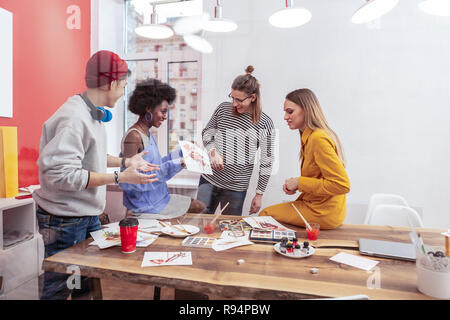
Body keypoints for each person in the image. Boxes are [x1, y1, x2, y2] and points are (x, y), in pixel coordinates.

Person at [33, 50, 159, 300]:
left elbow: (89, 157)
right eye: (123, 86)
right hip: (65, 220)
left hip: (84, 216)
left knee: (85, 287)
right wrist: (119, 177)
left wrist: (125, 161)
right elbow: (62, 175)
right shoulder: (74, 117)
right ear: (112, 83)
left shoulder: (91, 114)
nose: (123, 93)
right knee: (59, 290)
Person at [259, 88, 350, 229]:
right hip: (319, 206)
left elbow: (341, 185)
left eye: (290, 111)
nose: (285, 117)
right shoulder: (310, 136)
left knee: (265, 214)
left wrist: (299, 182)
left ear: (306, 110)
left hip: (323, 212)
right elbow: (320, 178)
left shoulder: (318, 139)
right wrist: (297, 185)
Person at [197, 66, 275, 216]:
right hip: (208, 180)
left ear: (253, 98)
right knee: (199, 222)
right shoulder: (222, 109)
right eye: (232, 97)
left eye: (239, 100)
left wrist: (259, 194)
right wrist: (213, 153)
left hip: (236, 187)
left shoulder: (265, 123)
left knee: (229, 229)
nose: (234, 103)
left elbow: (267, 160)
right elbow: (207, 133)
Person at [120, 78, 205, 216]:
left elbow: (157, 165)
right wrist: (179, 163)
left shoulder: (147, 132)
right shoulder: (134, 137)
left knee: (199, 206)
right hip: (146, 207)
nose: (165, 117)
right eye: (162, 111)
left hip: (160, 199)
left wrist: (183, 152)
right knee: (198, 207)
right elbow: (128, 182)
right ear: (148, 108)